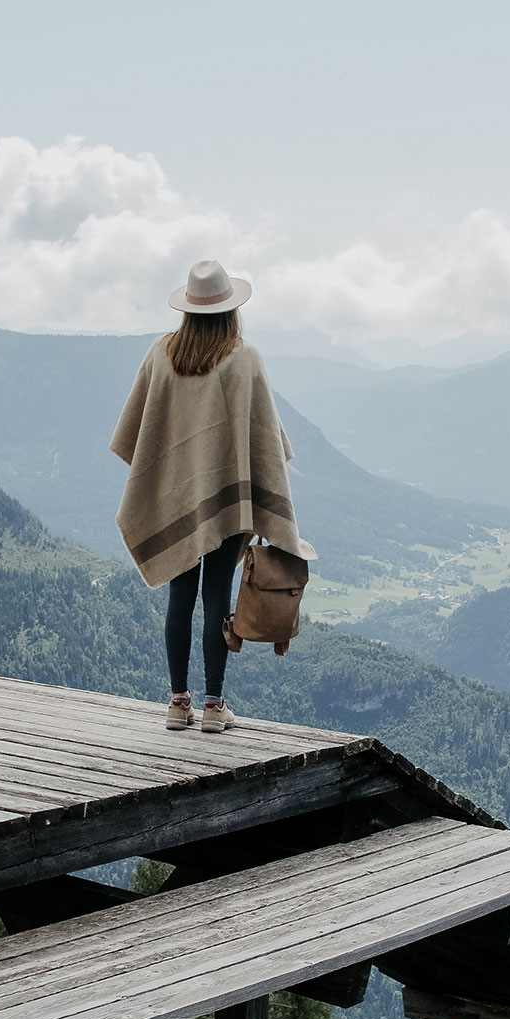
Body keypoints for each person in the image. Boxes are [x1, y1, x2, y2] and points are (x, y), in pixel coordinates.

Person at [110, 259, 314, 732]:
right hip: (229, 503)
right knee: (216, 594)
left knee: (180, 597)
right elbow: (264, 441)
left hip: (172, 500)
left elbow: (137, 434)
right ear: (231, 310)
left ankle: (177, 703)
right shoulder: (244, 358)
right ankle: (213, 706)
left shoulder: (161, 353)